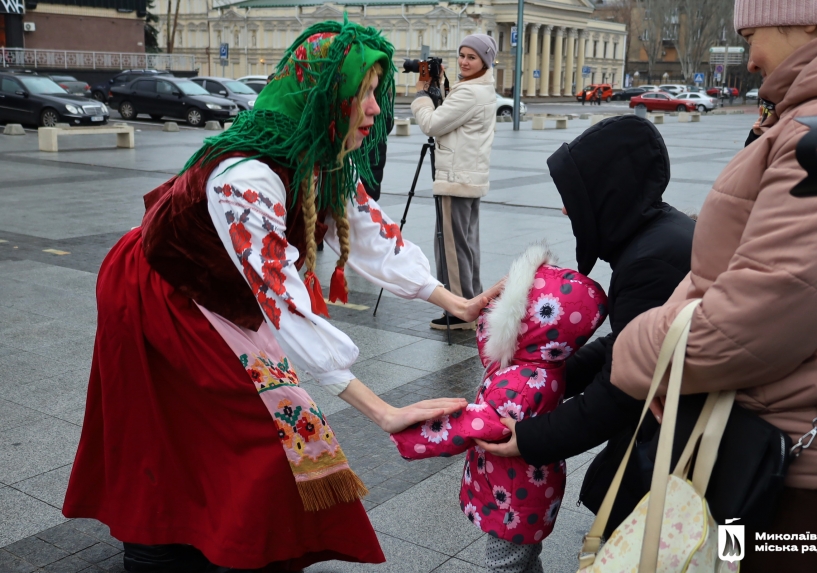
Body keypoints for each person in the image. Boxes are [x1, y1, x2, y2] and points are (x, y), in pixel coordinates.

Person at [62, 21, 500, 573]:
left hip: (223, 293)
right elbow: (282, 299)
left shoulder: (324, 154)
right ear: (324, 98)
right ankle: (156, 546)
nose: (374, 110)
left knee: (246, 427)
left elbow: (373, 237)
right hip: (159, 293)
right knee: (196, 423)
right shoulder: (244, 174)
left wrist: (458, 304)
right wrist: (382, 410)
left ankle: (207, 536)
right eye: (363, 94)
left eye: (376, 94)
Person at [609, 5, 817, 572]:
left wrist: (633, 346)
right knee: (728, 559)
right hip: (773, 446)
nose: (750, 58)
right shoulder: (811, 115)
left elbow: (751, 323)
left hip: (802, 479)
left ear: (814, 22)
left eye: (754, 35)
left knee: (761, 560)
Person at [476, 116, 695, 533]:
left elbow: (622, 389)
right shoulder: (659, 235)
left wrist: (528, 438)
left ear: (606, 195)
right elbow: (626, 345)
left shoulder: (649, 260)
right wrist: (551, 374)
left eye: (574, 196)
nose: (565, 208)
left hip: (676, 443)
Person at [390, 243, 607, 573]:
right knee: (525, 558)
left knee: (503, 565)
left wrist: (410, 435)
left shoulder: (518, 385)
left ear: (524, 324)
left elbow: (469, 425)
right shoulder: (544, 362)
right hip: (529, 492)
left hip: (514, 499)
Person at [412, 33, 498, 330]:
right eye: (462, 55)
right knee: (465, 244)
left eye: (472, 57)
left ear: (484, 60)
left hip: (455, 178)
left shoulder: (469, 92)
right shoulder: (481, 88)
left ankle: (460, 311)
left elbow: (432, 124)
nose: (464, 61)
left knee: (451, 246)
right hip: (468, 177)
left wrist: (422, 95)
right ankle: (473, 301)